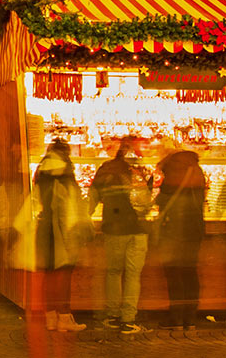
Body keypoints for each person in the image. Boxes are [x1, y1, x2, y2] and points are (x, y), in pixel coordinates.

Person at [89, 136, 151, 334]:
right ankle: (128, 319)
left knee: (114, 272)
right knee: (133, 274)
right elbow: (145, 203)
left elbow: (92, 197)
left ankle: (113, 315)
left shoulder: (106, 168)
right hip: (138, 229)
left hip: (114, 228)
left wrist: (84, 219)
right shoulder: (139, 171)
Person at [34, 139, 90, 332]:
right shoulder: (65, 172)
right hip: (62, 230)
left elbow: (36, 199)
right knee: (63, 276)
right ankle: (64, 318)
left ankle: (50, 318)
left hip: (45, 228)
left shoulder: (41, 170)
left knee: (49, 275)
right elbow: (70, 204)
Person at [155, 145, 207, 329]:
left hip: (172, 230)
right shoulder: (196, 169)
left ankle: (176, 318)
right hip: (194, 229)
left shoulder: (172, 169)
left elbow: (162, 199)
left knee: (174, 274)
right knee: (190, 272)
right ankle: (190, 318)